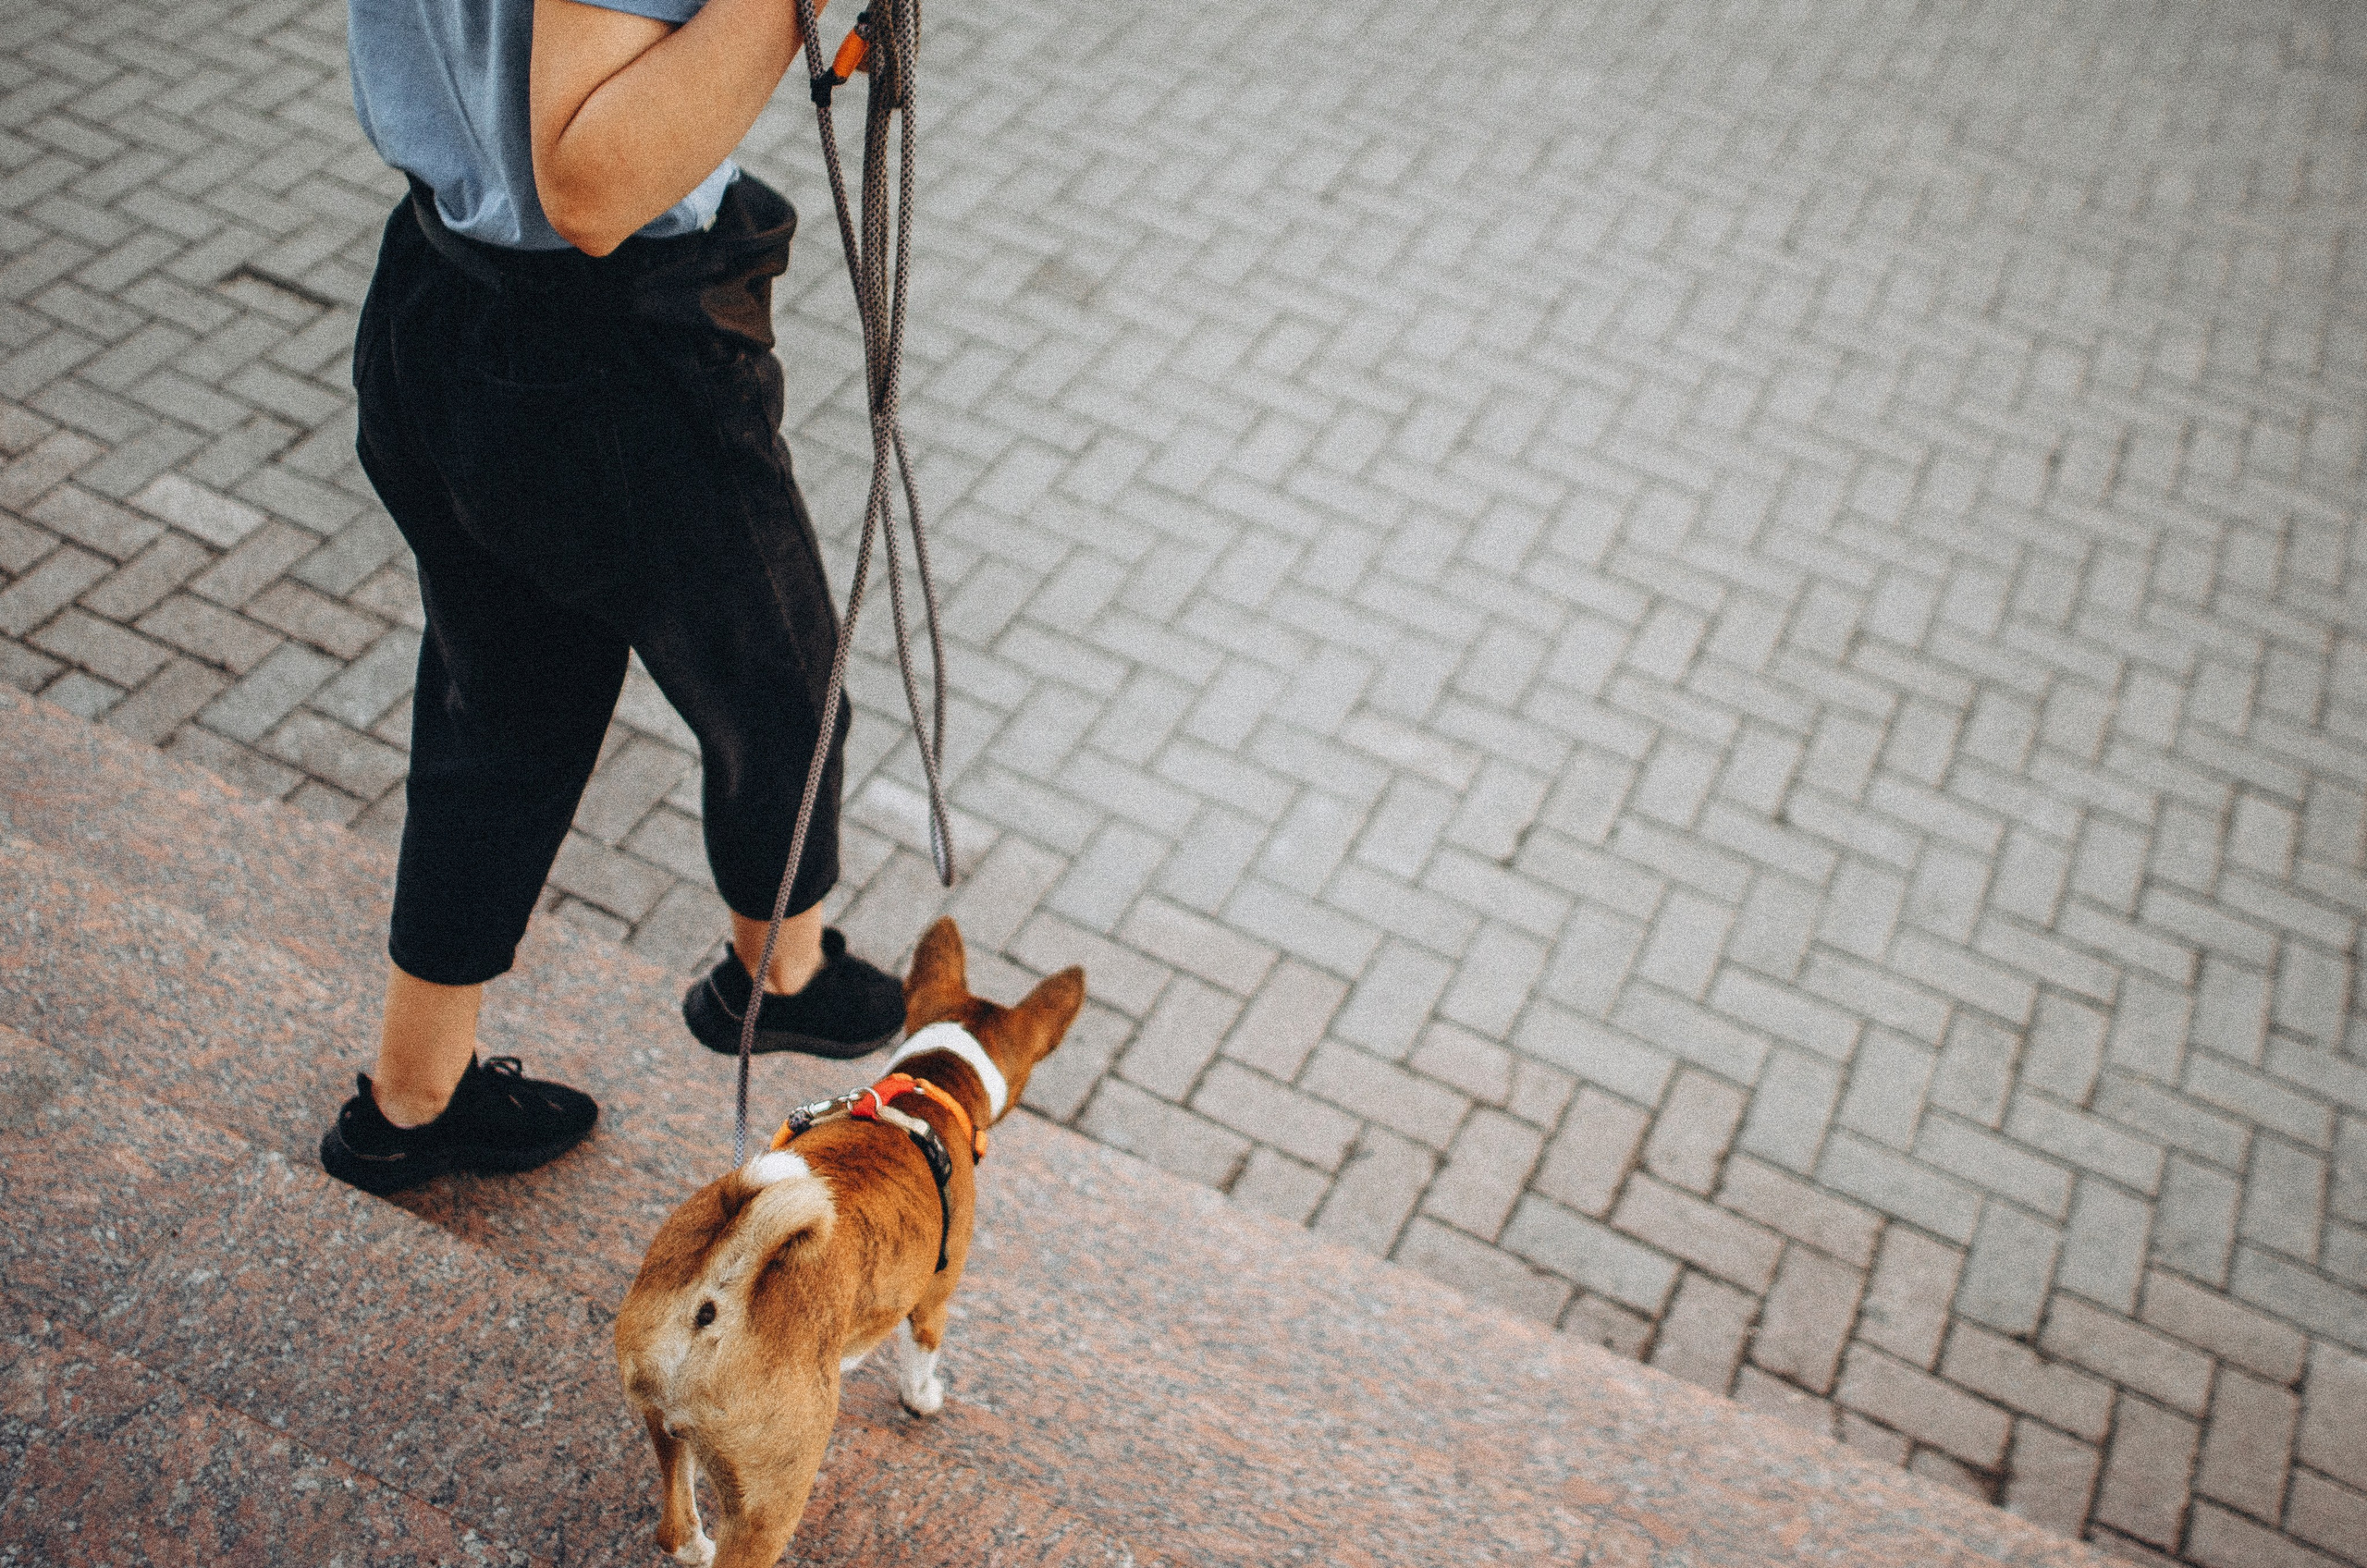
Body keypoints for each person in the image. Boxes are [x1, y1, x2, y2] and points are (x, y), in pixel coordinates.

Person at [319, 0, 905, 1196]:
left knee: (505, 712)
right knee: (784, 686)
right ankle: (778, 978)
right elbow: (589, 185)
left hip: (440, 288)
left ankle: (411, 1100)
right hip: (612, 353)